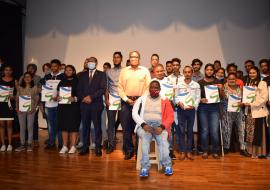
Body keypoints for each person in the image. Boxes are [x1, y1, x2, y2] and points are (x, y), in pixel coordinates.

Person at [132, 80, 174, 177]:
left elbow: (170, 116)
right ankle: (144, 167)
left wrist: (162, 127)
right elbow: (134, 113)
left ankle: (167, 165)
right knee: (145, 140)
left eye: (156, 88)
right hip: (145, 126)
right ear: (149, 88)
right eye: (152, 87)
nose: (154, 89)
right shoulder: (141, 99)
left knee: (163, 141)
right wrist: (143, 125)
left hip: (160, 126)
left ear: (159, 89)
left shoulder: (165, 100)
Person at [118, 51, 151, 160]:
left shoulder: (145, 71)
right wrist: (126, 99)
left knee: (139, 127)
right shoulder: (124, 71)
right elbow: (120, 88)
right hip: (126, 102)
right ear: (129, 58)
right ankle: (128, 150)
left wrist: (140, 100)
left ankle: (138, 151)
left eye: (135, 57)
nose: (133, 59)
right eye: (131, 57)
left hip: (140, 102)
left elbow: (148, 87)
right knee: (126, 128)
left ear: (139, 59)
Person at [77, 57, 106, 157]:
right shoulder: (82, 75)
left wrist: (91, 97)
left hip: (96, 104)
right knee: (85, 127)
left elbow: (102, 88)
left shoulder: (102, 74)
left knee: (97, 127)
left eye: (92, 61)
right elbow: (78, 89)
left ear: (96, 63)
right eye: (89, 61)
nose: (90, 63)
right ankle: (85, 147)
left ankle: (98, 147)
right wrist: (83, 98)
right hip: (84, 104)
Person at [198, 63, 223, 159]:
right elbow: (196, 96)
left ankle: (215, 151)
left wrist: (220, 89)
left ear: (214, 71)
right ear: (205, 70)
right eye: (207, 69)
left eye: (211, 70)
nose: (209, 71)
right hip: (203, 108)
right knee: (204, 130)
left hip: (214, 108)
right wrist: (201, 99)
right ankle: (205, 150)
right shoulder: (200, 82)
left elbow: (221, 97)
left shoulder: (217, 81)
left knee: (214, 131)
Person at [175, 66, 200, 160]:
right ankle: (182, 151)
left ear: (192, 73)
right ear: (183, 73)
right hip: (181, 110)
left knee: (190, 131)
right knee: (181, 131)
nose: (187, 74)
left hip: (191, 110)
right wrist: (178, 103)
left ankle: (189, 151)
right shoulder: (179, 85)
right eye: (185, 72)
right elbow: (176, 97)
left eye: (189, 72)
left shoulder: (196, 85)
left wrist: (195, 105)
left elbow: (197, 97)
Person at [242, 66, 268, 158]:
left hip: (258, 111)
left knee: (258, 133)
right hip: (249, 112)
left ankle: (259, 152)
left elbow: (264, 98)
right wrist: (245, 103)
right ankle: (250, 151)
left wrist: (251, 104)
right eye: (250, 73)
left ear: (257, 73)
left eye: (254, 72)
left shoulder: (262, 83)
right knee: (250, 133)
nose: (252, 74)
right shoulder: (248, 83)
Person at [221, 73, 249, 156]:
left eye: (233, 79)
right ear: (227, 80)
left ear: (236, 79)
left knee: (241, 130)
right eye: (230, 79)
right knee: (226, 130)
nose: (231, 80)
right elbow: (222, 99)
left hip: (239, 111)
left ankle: (242, 148)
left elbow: (245, 99)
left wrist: (242, 103)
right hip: (227, 112)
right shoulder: (223, 88)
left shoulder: (241, 88)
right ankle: (226, 148)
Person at [40, 59, 65, 149]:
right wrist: (41, 90)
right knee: (50, 125)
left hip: (59, 104)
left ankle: (61, 143)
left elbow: (65, 89)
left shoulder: (63, 76)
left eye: (55, 66)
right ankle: (51, 142)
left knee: (59, 124)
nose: (53, 68)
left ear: (59, 66)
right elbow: (42, 89)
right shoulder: (47, 77)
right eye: (52, 66)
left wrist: (58, 95)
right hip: (48, 104)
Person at [57, 65, 80, 154]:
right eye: (66, 70)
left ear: (73, 71)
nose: (68, 72)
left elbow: (81, 94)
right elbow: (58, 94)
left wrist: (74, 98)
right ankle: (65, 146)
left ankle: (73, 146)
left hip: (74, 107)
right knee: (64, 126)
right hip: (63, 107)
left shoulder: (78, 81)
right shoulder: (61, 81)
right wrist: (57, 97)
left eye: (70, 70)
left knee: (73, 126)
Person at [15, 72, 39, 152]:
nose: (27, 78)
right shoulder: (20, 88)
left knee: (30, 126)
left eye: (29, 77)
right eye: (25, 77)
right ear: (23, 78)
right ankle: (22, 144)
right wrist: (17, 108)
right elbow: (17, 99)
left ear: (31, 78)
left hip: (31, 110)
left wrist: (34, 108)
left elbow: (37, 99)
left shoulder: (35, 87)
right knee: (22, 127)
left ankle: (29, 144)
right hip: (21, 110)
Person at [105, 52, 123, 154]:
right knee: (111, 123)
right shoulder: (108, 71)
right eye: (114, 57)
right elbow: (106, 87)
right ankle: (111, 145)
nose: (116, 59)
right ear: (113, 59)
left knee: (125, 123)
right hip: (111, 100)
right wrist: (106, 99)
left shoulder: (125, 71)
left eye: (118, 57)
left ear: (121, 59)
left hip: (122, 99)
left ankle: (126, 146)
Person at [167, 58, 183, 159]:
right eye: (173, 65)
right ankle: (170, 150)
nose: (175, 66)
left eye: (177, 65)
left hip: (181, 106)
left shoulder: (183, 78)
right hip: (170, 106)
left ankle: (181, 148)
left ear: (179, 66)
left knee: (180, 128)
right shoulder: (168, 78)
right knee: (170, 129)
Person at [0, 65, 17, 152]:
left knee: (9, 124)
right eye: (6, 70)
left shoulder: (15, 81)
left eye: (9, 70)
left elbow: (17, 94)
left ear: (12, 71)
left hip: (10, 105)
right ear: (3, 71)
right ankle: (3, 144)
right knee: (2, 125)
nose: (8, 71)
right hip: (1, 105)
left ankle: (10, 144)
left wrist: (13, 97)